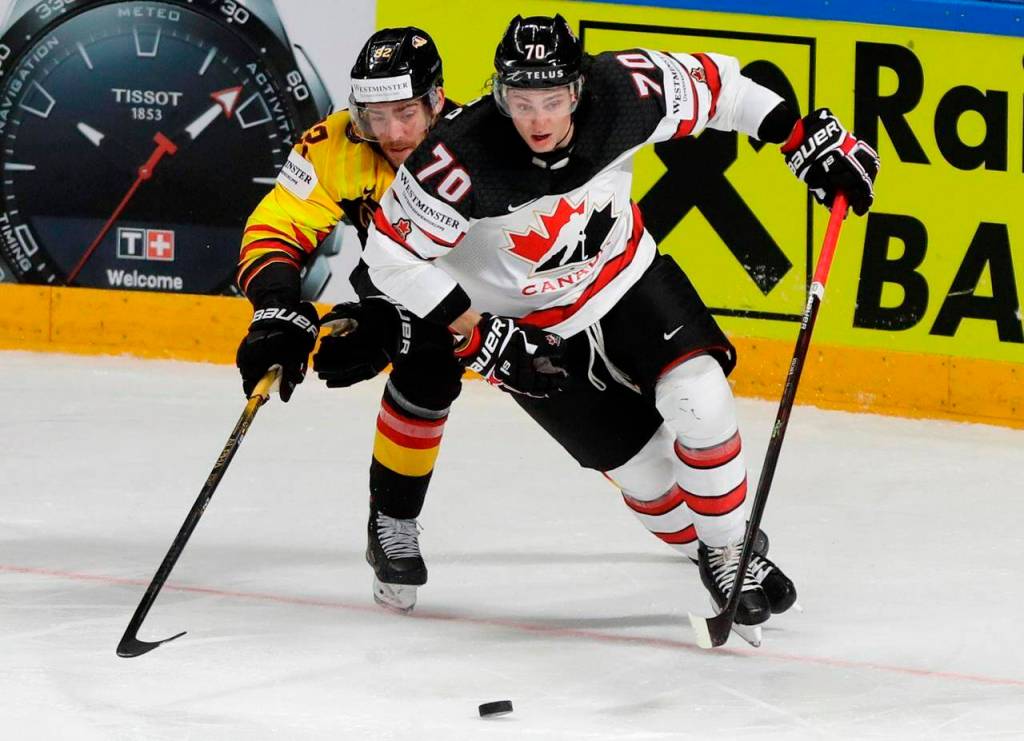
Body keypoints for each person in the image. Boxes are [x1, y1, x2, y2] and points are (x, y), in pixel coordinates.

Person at [362, 15, 878, 636]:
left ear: (578, 90)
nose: (539, 120)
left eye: (553, 100)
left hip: (626, 280)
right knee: (653, 481)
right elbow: (388, 258)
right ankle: (703, 543)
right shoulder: (458, 159)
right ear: (499, 95)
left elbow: (728, 90)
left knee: (701, 399)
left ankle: (728, 549)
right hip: (528, 332)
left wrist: (801, 137)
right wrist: (480, 335)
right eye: (522, 102)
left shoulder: (625, 90)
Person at [235, 27, 463, 613]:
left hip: (511, 296)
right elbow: (275, 228)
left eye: (406, 113)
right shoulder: (335, 143)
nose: (390, 133)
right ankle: (391, 521)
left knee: (601, 418)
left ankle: (683, 521)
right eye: (374, 115)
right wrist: (279, 308)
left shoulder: (481, 141)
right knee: (424, 368)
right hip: (411, 289)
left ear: (436, 100)